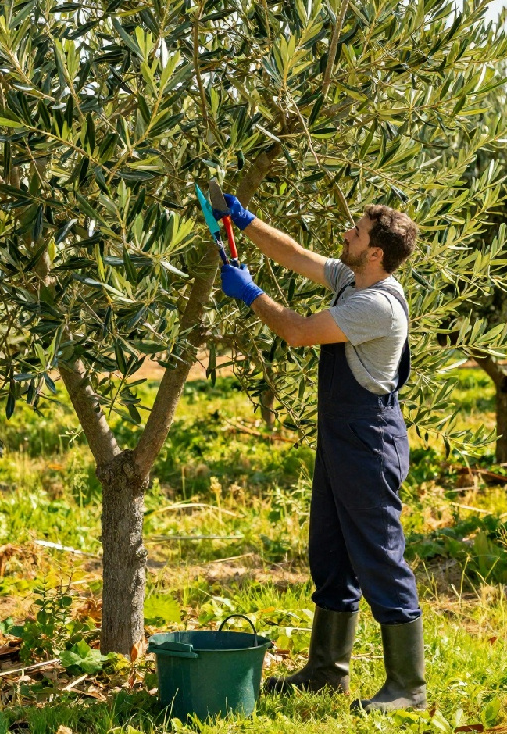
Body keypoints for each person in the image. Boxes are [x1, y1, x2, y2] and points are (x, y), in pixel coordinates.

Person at [216, 193, 425, 713]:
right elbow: (296, 255)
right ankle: (327, 671)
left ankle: (409, 687)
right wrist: (246, 221)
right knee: (329, 554)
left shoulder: (375, 305)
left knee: (379, 556)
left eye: (357, 232)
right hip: (340, 438)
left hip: (369, 442)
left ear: (375, 253)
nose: (346, 234)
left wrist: (250, 294)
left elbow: (297, 332)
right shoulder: (354, 280)